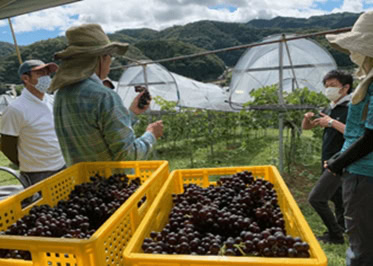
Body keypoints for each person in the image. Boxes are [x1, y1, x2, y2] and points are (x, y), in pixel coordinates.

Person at [48, 24, 163, 165]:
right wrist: (151, 134)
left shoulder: (61, 94)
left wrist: (132, 113)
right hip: (112, 183)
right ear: (101, 58)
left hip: (80, 182)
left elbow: (96, 132)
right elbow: (128, 155)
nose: (110, 62)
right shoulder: (103, 96)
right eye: (110, 57)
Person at [324, 11, 373, 266]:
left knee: (361, 249)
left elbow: (371, 138)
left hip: (364, 174)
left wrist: (337, 164)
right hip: (361, 169)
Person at [302, 70, 353, 244]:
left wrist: (331, 122)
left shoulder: (351, 108)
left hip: (342, 160)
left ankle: (335, 234)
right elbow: (308, 128)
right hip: (328, 158)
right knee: (337, 196)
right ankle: (342, 228)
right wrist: (307, 120)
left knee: (318, 198)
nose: (328, 90)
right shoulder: (330, 108)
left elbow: (353, 133)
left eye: (332, 86)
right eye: (326, 86)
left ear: (345, 88)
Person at [0, 60, 66, 187]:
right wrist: (25, 162)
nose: (46, 78)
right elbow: (7, 144)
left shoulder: (51, 100)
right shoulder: (16, 109)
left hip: (62, 164)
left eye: (47, 73)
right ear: (26, 78)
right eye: (40, 73)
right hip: (37, 172)